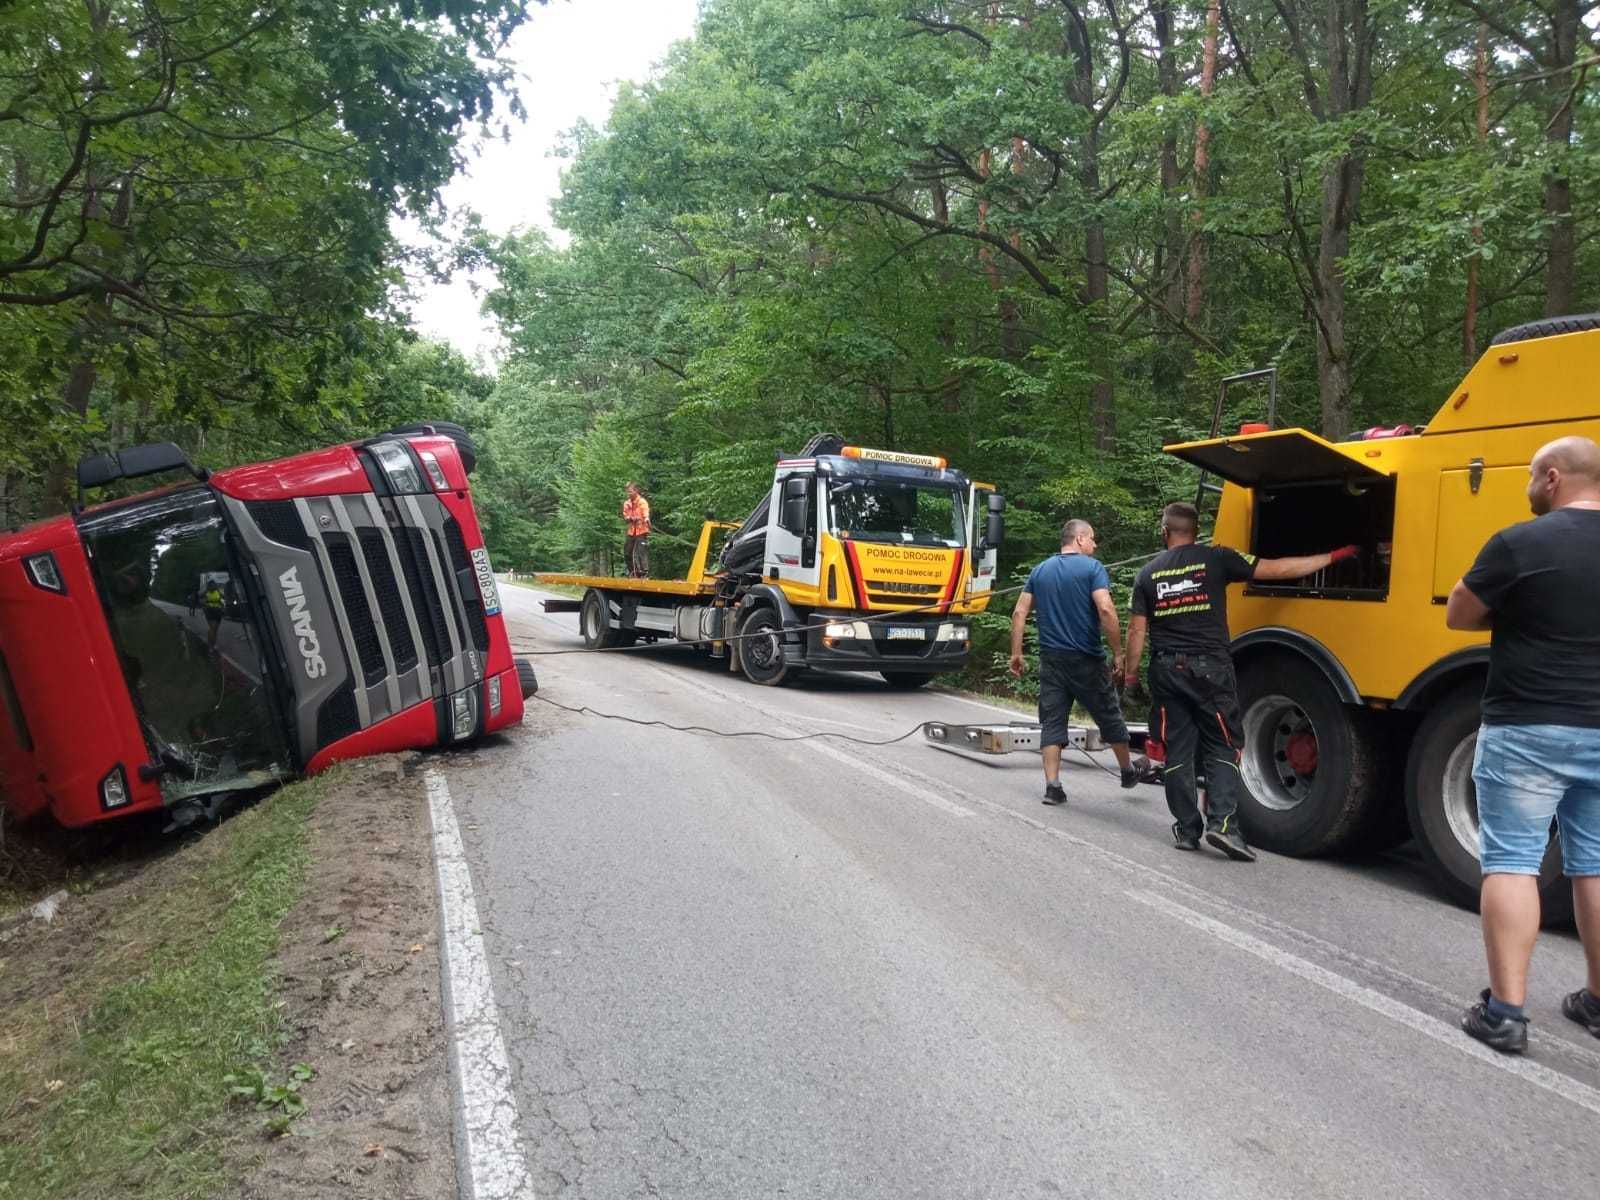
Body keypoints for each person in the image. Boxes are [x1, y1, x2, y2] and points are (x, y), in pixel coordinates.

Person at [1446, 435, 1600, 1055]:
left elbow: (1460, 613)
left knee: (1512, 860)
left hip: (1529, 725)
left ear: (1554, 478)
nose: (1529, 487)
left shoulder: (1520, 542)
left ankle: (1506, 1014)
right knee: (1594, 862)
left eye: (1533, 476)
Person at [1123, 501, 1358, 861]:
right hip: (1210, 670)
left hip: (1167, 672)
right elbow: (1276, 569)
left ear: (1165, 531)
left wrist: (1130, 678)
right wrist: (1332, 556)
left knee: (1178, 750)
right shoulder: (1216, 558)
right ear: (1195, 529)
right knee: (1223, 744)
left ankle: (1187, 830)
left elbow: (1136, 632)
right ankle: (1223, 825)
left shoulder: (1148, 574)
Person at [1009, 520, 1139, 805]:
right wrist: (1118, 652)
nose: (1095, 544)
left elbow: (1019, 613)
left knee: (1053, 722)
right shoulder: (1093, 569)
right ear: (1079, 539)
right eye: (1092, 539)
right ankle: (1128, 771)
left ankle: (1053, 787)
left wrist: (1016, 653)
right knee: (1107, 713)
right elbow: (1105, 608)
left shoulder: (1040, 570)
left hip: (1051, 659)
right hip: (1086, 659)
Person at [621, 482, 651, 579]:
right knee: (627, 552)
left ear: (636, 491)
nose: (628, 493)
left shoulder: (642, 502)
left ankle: (644, 572)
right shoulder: (627, 503)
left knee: (641, 551)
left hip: (641, 529)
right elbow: (625, 516)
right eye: (627, 491)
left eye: (630, 491)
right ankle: (634, 572)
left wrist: (646, 518)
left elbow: (645, 511)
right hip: (631, 530)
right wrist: (630, 518)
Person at [202, 578, 226, 650]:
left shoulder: (218, 591)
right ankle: (210, 646)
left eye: (213, 585)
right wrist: (206, 605)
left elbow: (223, 598)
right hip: (210, 611)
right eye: (211, 585)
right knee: (212, 628)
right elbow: (202, 601)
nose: (213, 586)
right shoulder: (206, 592)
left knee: (215, 629)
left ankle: (213, 644)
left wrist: (222, 605)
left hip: (218, 611)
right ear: (209, 586)